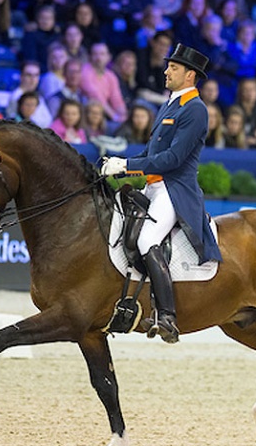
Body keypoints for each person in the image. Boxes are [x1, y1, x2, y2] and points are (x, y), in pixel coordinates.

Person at [99, 43, 223, 344]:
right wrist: (120, 167)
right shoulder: (170, 104)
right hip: (153, 186)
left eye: (174, 68)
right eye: (168, 66)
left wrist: (127, 165)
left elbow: (172, 159)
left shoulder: (195, 109)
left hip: (175, 189)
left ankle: (167, 316)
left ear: (190, 75)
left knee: (146, 238)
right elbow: (151, 151)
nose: (166, 71)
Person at [80, 42, 128, 124]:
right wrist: (115, 117)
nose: (98, 58)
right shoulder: (84, 71)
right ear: (90, 56)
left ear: (108, 57)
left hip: (104, 115)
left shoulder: (111, 76)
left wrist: (125, 117)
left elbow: (117, 100)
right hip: (87, 115)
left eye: (102, 54)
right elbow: (97, 97)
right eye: (95, 54)